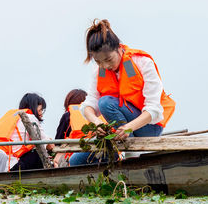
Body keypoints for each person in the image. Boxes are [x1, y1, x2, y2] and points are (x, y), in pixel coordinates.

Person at [69, 19, 175, 166]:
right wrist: (97, 123)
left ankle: (131, 158)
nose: (105, 66)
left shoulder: (142, 63)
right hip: (118, 129)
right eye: (99, 62)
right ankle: (114, 156)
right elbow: (89, 105)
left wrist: (128, 128)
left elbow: (154, 110)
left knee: (105, 103)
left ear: (119, 48)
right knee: (75, 161)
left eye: (108, 59)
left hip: (148, 127)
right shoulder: (98, 72)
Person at [0, 93, 53, 171]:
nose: (41, 114)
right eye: (40, 110)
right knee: (37, 154)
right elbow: (47, 144)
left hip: (0, 164)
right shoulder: (30, 117)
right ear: (34, 106)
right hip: (14, 165)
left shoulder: (12, 118)